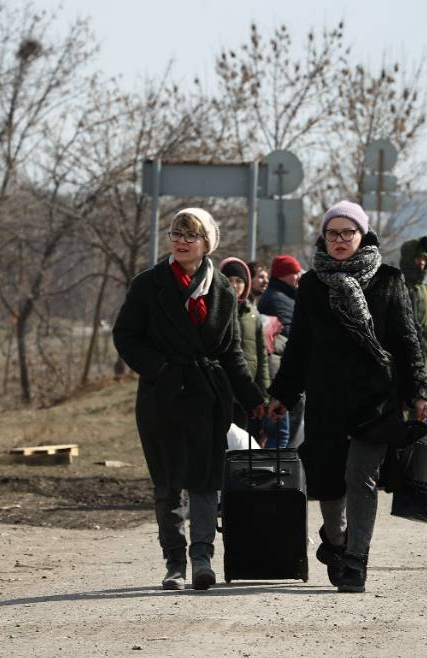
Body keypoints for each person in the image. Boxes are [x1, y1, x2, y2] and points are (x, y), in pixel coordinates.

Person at [267, 200, 427, 594]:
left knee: (362, 477)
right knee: (328, 478)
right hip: (326, 398)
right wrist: (283, 394)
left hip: (375, 399)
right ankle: (337, 539)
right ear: (324, 238)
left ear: (362, 235)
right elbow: (300, 346)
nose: (340, 240)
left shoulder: (388, 280)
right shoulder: (312, 284)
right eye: (332, 234)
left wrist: (418, 392)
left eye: (347, 232)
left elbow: (407, 340)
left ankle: (357, 558)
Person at [112, 208, 267, 591]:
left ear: (206, 243)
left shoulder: (222, 290)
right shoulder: (148, 284)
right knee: (167, 482)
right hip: (162, 396)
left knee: (204, 480)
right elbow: (125, 335)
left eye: (190, 235)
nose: (181, 241)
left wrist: (254, 398)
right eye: (176, 233)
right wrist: (161, 368)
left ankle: (202, 558)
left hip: (208, 397)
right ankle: (174, 562)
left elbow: (231, 351)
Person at [220, 257, 271, 435]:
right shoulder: (215, 309)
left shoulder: (252, 314)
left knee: (239, 442)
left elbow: (261, 357)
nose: (234, 285)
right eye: (229, 280)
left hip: (244, 394)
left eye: (239, 281)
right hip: (220, 391)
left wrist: (264, 395)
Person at [258, 254, 303, 449]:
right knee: (280, 436)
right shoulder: (277, 299)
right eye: (295, 272)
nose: (299, 276)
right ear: (283, 275)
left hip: (280, 372)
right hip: (278, 373)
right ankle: (273, 468)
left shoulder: (285, 297)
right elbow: (291, 336)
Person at [399, 236, 427, 383]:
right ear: (409, 259)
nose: (422, 263)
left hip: (420, 358)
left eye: (425, 259)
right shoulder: (394, 287)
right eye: (418, 259)